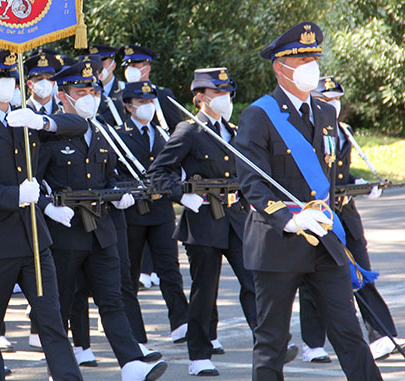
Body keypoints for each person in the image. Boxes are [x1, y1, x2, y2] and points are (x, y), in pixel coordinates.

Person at [234, 21, 382, 381]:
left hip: (324, 244)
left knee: (348, 332)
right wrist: (289, 218)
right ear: (280, 67)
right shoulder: (259, 115)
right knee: (271, 342)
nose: (311, 68)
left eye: (314, 58)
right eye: (301, 62)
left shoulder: (327, 114)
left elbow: (328, 176)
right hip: (278, 242)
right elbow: (252, 182)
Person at [0, 49, 88, 381]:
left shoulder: (24, 120)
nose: (10, 84)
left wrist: (42, 120)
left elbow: (78, 125)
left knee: (53, 323)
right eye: (2, 77)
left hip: (33, 240)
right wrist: (15, 196)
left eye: (13, 77)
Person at [36, 60, 167, 381]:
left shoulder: (101, 131)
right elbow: (31, 182)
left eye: (92, 91)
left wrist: (119, 192)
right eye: (81, 92)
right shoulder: (48, 133)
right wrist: (47, 207)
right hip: (65, 233)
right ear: (62, 95)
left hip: (102, 229)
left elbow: (110, 177)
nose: (89, 97)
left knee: (113, 299)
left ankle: (132, 363)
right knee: (61, 306)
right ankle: (61, 368)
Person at [150, 67, 258, 376]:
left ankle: (266, 340)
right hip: (203, 219)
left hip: (236, 218)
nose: (225, 99)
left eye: (227, 93)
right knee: (204, 290)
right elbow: (158, 172)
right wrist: (181, 195)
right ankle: (199, 354)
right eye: (218, 94)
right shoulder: (189, 131)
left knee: (253, 280)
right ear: (200, 98)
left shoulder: (233, 132)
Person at [297, 76, 398, 362]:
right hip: (321, 213)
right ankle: (313, 344)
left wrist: (363, 183)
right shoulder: (306, 131)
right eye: (326, 100)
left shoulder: (344, 131)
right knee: (314, 278)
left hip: (347, 214)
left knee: (363, 272)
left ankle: (381, 335)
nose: (333, 104)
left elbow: (341, 173)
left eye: (336, 99)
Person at [115, 81, 189, 347]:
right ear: (128, 105)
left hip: (161, 210)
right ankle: (136, 334)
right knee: (130, 273)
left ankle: (181, 323)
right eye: (141, 102)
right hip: (133, 212)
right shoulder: (118, 135)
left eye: (150, 102)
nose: (147, 107)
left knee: (170, 267)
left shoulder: (161, 132)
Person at [117, 45, 182, 132]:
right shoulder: (118, 97)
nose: (129, 69)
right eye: (127, 66)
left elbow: (178, 128)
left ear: (147, 68)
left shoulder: (162, 95)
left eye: (134, 65)